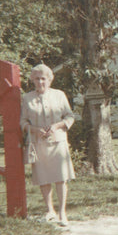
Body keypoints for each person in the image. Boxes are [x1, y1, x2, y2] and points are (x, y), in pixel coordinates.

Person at [20, 64, 75, 226]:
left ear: (49, 79)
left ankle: (62, 213)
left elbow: (70, 116)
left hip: (58, 141)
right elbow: (22, 121)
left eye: (43, 78)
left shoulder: (59, 95)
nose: (40, 82)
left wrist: (57, 126)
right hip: (38, 143)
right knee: (43, 178)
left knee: (61, 177)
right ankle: (49, 210)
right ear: (32, 80)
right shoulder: (27, 98)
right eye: (37, 79)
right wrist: (34, 130)